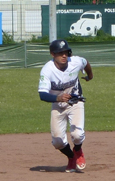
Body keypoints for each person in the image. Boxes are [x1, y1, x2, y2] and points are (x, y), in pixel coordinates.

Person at [38, 39, 93, 173]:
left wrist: (90, 76)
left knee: (77, 135)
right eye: (60, 53)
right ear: (52, 54)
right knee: (57, 141)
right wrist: (58, 98)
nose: (64, 56)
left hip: (75, 101)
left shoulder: (75, 61)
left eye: (66, 52)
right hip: (57, 104)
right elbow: (42, 95)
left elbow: (85, 63)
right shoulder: (47, 70)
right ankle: (71, 156)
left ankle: (78, 151)